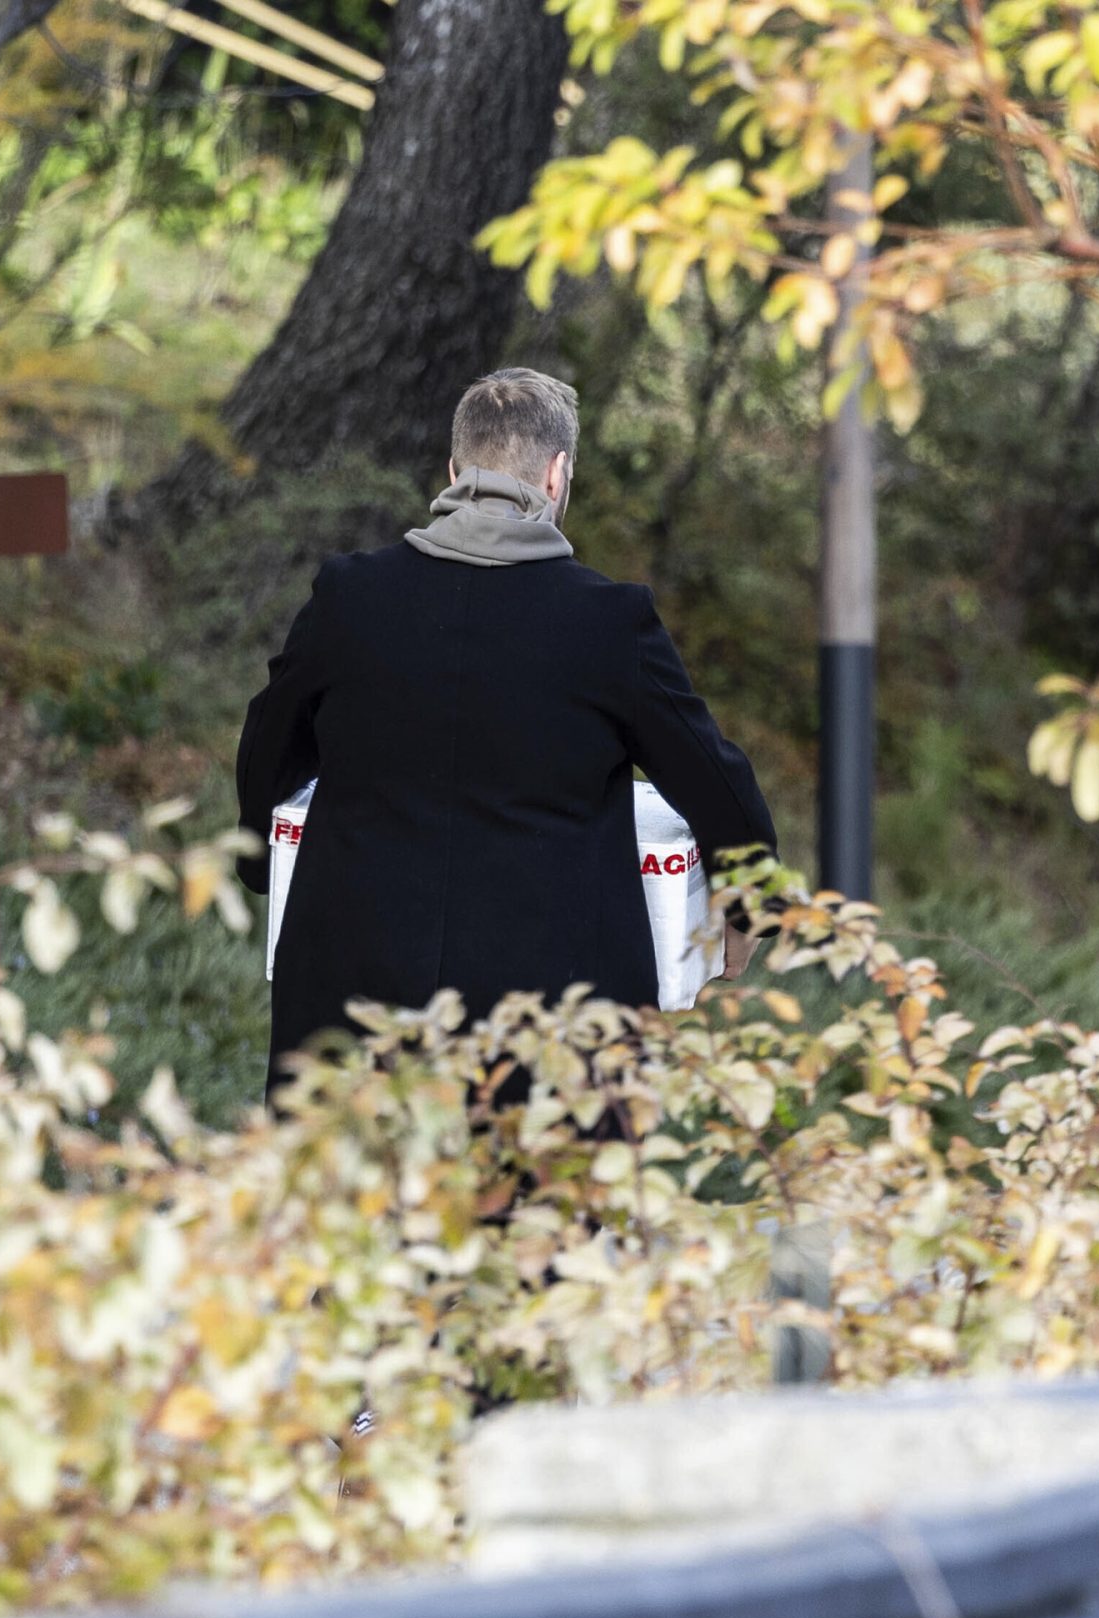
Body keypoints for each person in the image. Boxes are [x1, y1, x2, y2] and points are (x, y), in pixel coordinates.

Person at [236, 368, 778, 1092]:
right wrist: (746, 907)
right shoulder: (607, 623)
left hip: (352, 1004)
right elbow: (713, 781)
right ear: (557, 475)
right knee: (537, 1205)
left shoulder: (350, 597)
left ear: (454, 471)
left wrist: (256, 866)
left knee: (352, 1202)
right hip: (548, 1030)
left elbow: (267, 746)